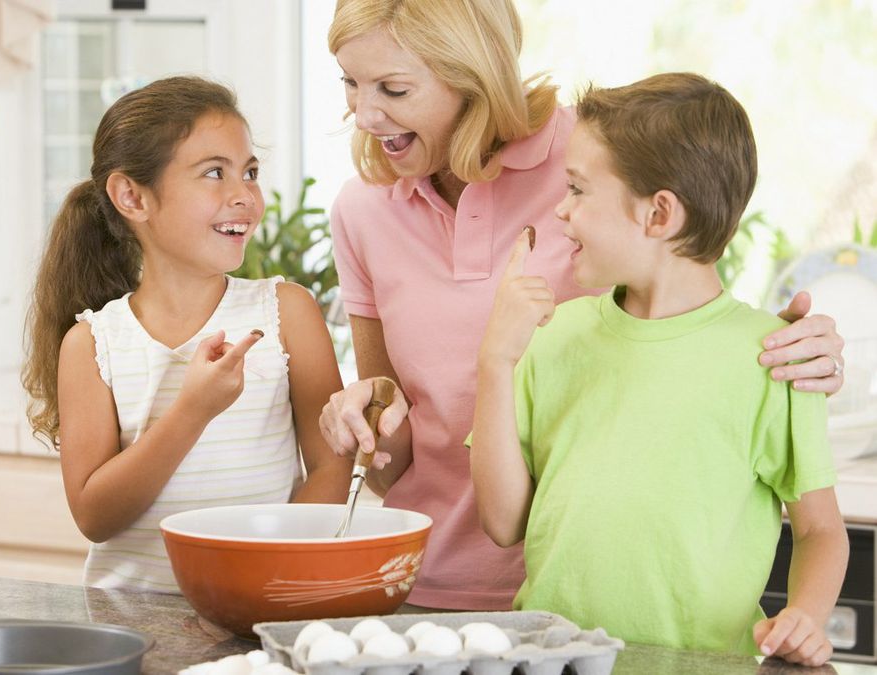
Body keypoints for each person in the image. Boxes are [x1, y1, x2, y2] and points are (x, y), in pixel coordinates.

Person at [318, 0, 846, 612]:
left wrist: (789, 355)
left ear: (473, 74)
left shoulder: (599, 153)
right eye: (350, 83)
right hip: (425, 583)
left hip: (593, 599)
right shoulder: (362, 212)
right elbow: (391, 456)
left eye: (394, 88)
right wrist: (368, 415)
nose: (362, 114)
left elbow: (684, 289)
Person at [469, 73, 849, 666]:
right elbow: (501, 522)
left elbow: (821, 530)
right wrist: (495, 362)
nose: (561, 211)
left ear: (659, 214)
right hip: (550, 660)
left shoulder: (774, 358)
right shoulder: (553, 336)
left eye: (577, 189)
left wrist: (805, 614)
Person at [22, 76, 352, 592]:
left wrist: (267, 577)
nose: (244, 195)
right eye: (214, 173)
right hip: (136, 625)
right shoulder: (92, 344)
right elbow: (94, 516)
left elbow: (333, 468)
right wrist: (192, 410)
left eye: (250, 172)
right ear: (133, 196)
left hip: (261, 606)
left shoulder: (286, 314)